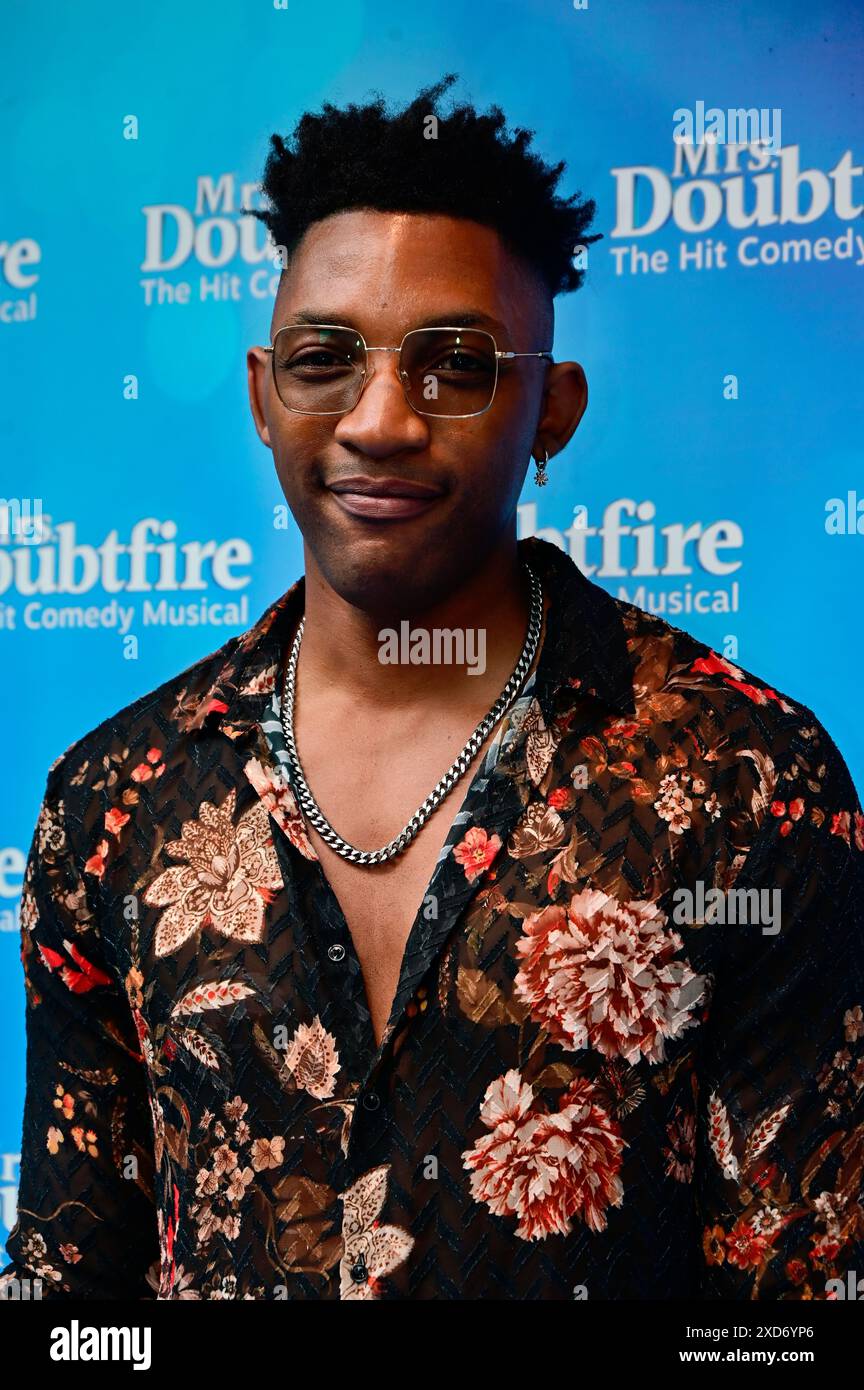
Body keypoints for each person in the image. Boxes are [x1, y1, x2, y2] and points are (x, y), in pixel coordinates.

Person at [3, 74, 863, 1302]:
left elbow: (800, 1301)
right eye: (325, 360)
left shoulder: (747, 783)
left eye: (455, 364)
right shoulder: (111, 799)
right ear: (262, 395)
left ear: (551, 411)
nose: (381, 421)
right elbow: (72, 1304)